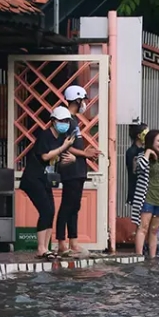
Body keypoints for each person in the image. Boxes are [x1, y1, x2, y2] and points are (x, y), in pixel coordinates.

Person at [20, 107, 77, 259]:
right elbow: (45, 156)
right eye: (61, 121)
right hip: (33, 179)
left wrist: (71, 160)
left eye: (66, 121)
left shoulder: (61, 138)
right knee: (45, 210)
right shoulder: (45, 136)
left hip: (45, 179)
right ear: (53, 121)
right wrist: (64, 147)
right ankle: (41, 248)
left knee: (51, 210)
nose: (64, 124)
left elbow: (57, 161)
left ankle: (46, 248)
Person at [56, 86, 101, 257]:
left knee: (75, 206)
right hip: (71, 170)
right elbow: (65, 144)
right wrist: (85, 153)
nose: (85, 104)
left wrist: (86, 155)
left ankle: (73, 242)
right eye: (83, 100)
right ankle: (62, 243)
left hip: (78, 169)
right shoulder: (66, 119)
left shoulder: (74, 120)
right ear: (77, 100)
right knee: (67, 206)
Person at [131, 130, 159, 259]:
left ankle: (152, 256)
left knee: (155, 230)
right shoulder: (141, 157)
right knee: (143, 227)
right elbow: (140, 168)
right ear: (151, 142)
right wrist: (148, 153)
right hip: (146, 198)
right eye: (158, 141)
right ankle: (139, 256)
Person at [125, 123, 149, 206]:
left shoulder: (145, 150)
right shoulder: (132, 152)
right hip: (137, 190)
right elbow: (134, 171)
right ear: (139, 135)